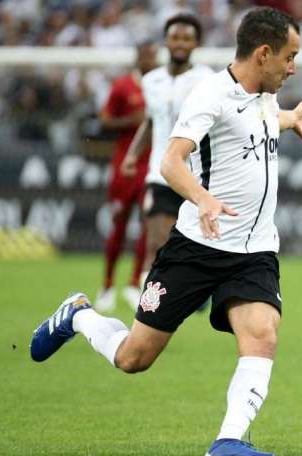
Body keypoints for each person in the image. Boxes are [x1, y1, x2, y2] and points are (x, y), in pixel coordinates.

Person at [30, 7, 302, 456]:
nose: (293, 67)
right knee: (134, 358)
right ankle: (79, 316)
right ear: (264, 54)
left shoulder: (264, 93)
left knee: (262, 333)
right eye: (290, 56)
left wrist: (288, 120)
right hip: (196, 248)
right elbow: (170, 161)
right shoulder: (210, 95)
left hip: (255, 249)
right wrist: (202, 198)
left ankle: (228, 441)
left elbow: (255, 121)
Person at [121, 14, 213, 287]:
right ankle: (151, 307)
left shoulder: (207, 80)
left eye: (187, 38)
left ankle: (196, 288)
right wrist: (132, 155)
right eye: (175, 37)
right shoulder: (151, 80)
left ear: (196, 43)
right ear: (166, 41)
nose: (180, 43)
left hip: (195, 176)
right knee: (157, 244)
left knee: (200, 246)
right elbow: (151, 121)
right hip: (160, 174)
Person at [95, 41, 158, 313]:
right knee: (118, 226)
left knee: (148, 225)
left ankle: (134, 284)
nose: (152, 60)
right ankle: (107, 284)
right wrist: (131, 120)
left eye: (154, 55)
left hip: (152, 167)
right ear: (138, 57)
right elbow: (104, 121)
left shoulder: (160, 85)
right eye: (148, 55)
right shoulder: (122, 87)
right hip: (125, 166)